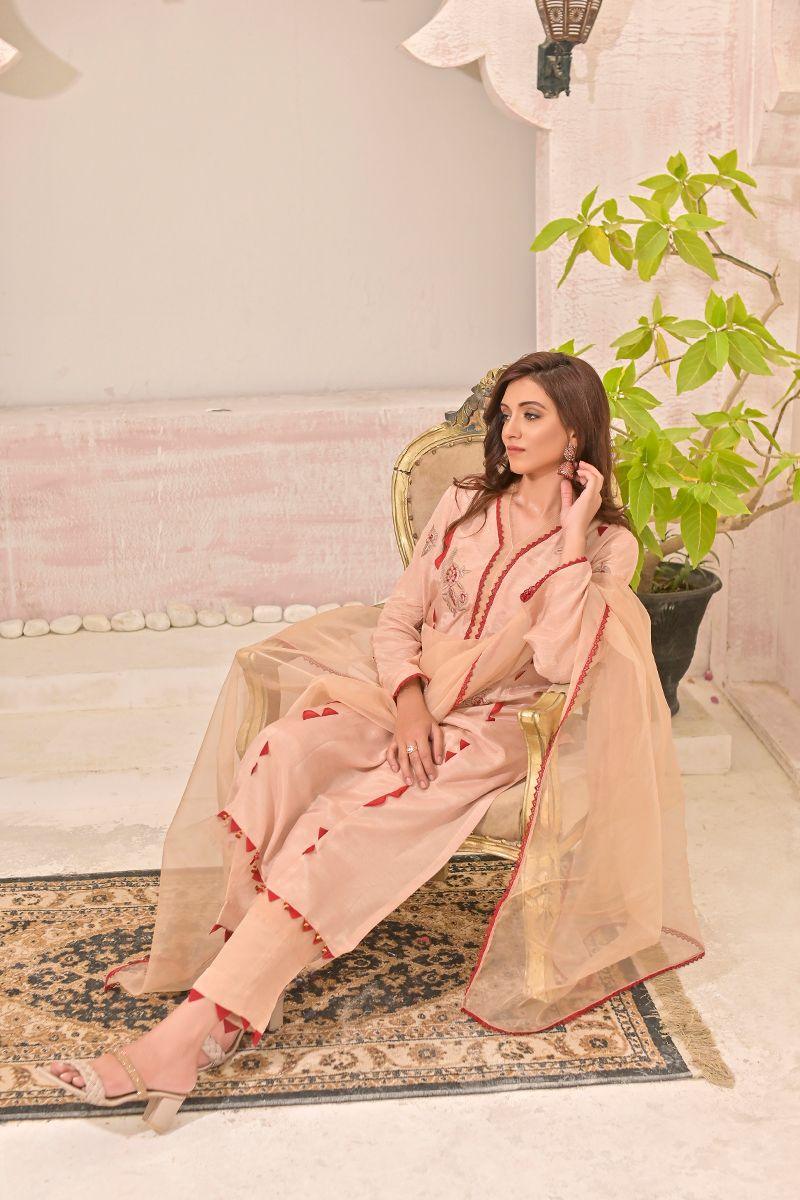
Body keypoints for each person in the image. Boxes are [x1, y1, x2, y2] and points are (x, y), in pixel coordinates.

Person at [33, 351, 705, 1132]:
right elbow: (399, 620)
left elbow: (558, 660)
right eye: (507, 414)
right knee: (283, 751)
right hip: (405, 692)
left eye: (532, 415)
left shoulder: (606, 546)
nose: (510, 431)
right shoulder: (465, 504)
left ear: (577, 432)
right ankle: (235, 979)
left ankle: (182, 1041)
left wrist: (574, 531)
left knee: (341, 825)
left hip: (494, 725)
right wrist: (410, 701)